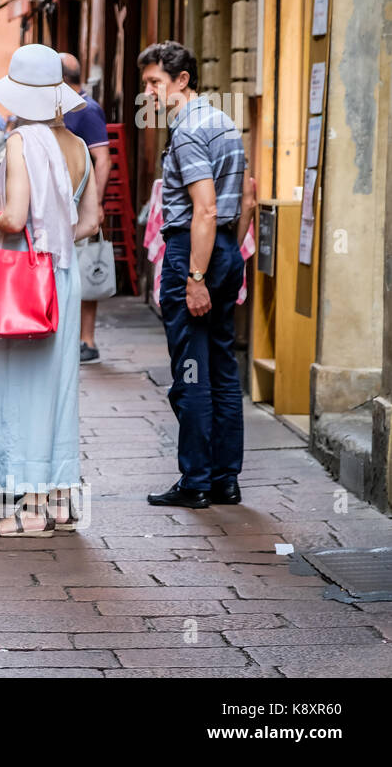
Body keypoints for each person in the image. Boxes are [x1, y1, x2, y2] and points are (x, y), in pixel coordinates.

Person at [0, 44, 101, 536]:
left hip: (23, 281)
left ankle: (20, 514)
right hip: (63, 279)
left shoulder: (20, 143)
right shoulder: (78, 147)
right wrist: (53, 241)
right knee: (57, 390)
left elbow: (14, 218)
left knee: (15, 390)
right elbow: (90, 221)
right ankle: (51, 502)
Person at [140, 41, 254, 510]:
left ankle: (196, 481)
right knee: (224, 368)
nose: (146, 93)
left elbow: (204, 208)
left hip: (195, 249)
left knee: (191, 371)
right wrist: (228, 255)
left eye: (153, 83)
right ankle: (226, 479)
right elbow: (246, 198)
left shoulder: (187, 131)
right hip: (225, 247)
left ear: (181, 80)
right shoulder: (225, 122)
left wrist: (195, 275)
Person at [59, 53, 113, 364]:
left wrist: (98, 202)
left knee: (87, 265)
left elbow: (102, 159)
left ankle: (87, 340)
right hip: (68, 200)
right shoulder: (67, 106)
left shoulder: (87, 109)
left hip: (81, 201)